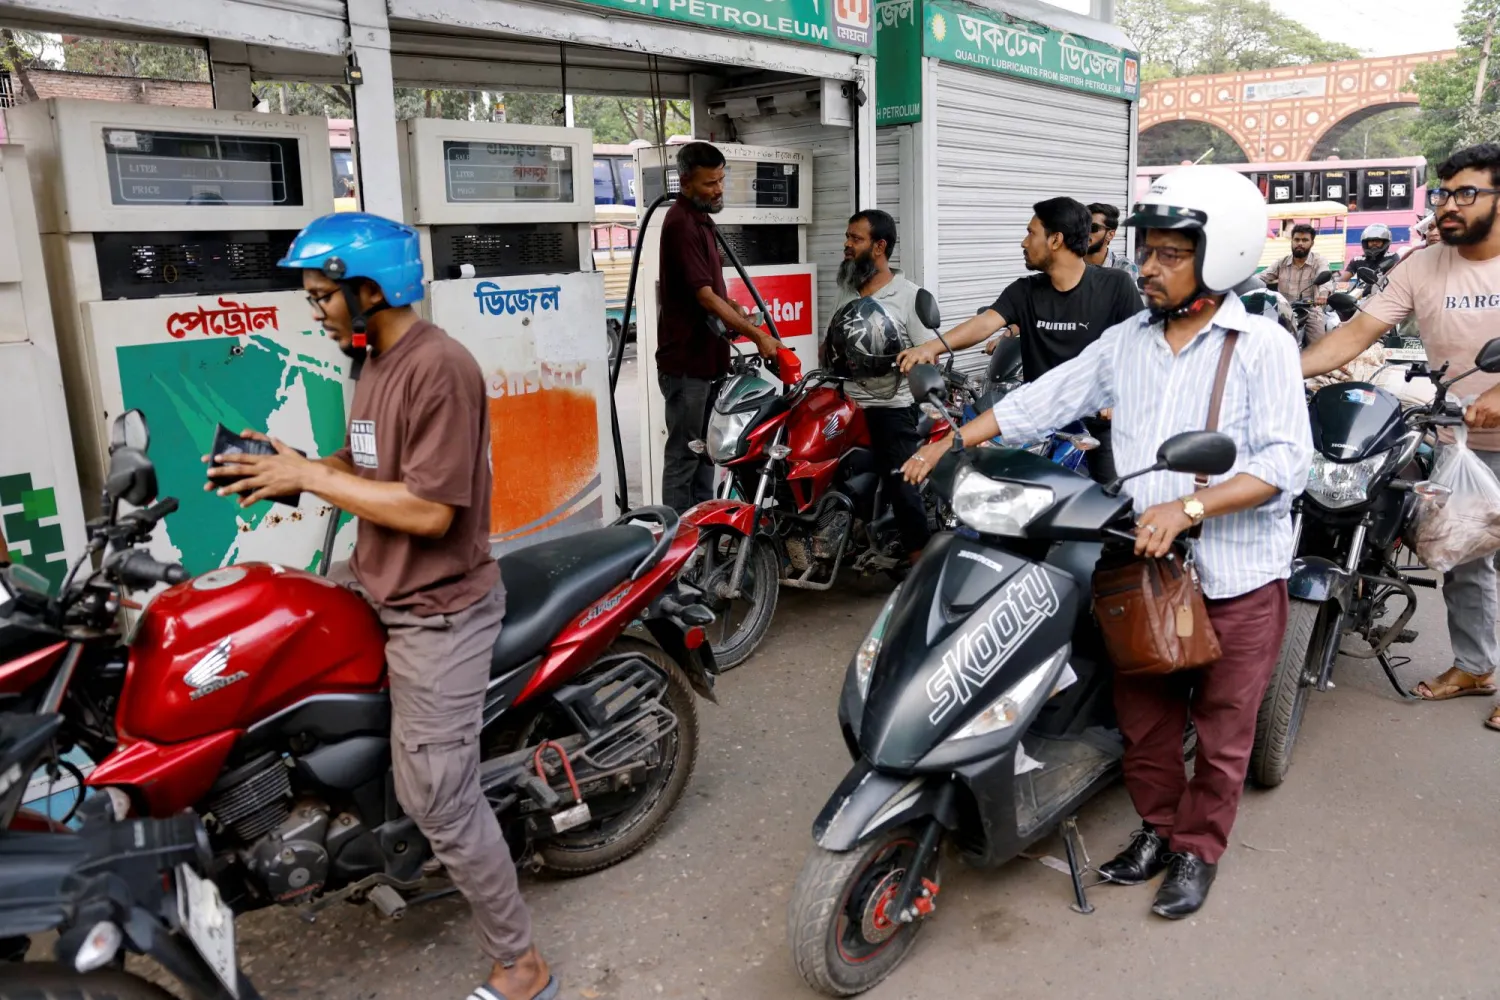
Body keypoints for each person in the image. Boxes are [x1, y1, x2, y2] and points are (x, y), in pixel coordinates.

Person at [901, 166, 1312, 919]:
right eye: (1145, 251)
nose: (1145, 268)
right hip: (1142, 568)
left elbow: (1285, 464)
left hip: (1237, 573)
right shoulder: (1127, 341)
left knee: (1224, 732)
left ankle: (1197, 852)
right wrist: (953, 440)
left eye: (1168, 255)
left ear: (1218, 257)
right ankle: (1158, 829)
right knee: (1144, 718)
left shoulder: (1261, 346)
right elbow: (1041, 400)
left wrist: (1190, 507)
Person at [205, 213, 558, 1000]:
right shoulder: (373, 361)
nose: (318, 310)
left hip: (441, 609)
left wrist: (316, 481)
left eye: (324, 295)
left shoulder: (440, 368)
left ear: (371, 290)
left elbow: (431, 511)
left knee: (440, 791)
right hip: (379, 583)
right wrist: (301, 464)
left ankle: (521, 963)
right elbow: (369, 463)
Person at [1301, 142, 1500, 732]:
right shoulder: (1421, 265)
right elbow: (1358, 332)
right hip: (1458, 437)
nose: (1448, 207)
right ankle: (1475, 666)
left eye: (1467, 193)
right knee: (1464, 557)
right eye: (1443, 194)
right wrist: (1280, 374)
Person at [897, 196, 1142, 483]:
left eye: (1031, 233)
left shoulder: (1116, 285)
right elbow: (984, 323)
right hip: (1040, 418)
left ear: (1055, 240)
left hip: (1099, 423)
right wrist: (931, 346)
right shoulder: (1025, 290)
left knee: (1114, 504)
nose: (1024, 243)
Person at [656, 141, 781, 512]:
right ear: (685, 182)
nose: (719, 189)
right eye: (710, 183)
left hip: (708, 362)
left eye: (721, 180)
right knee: (684, 456)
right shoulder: (680, 223)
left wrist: (733, 307)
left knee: (707, 452)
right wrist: (757, 334)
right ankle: (676, 545)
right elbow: (703, 296)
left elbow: (710, 292)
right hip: (686, 365)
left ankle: (701, 536)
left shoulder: (702, 221)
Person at [827, 209, 936, 563]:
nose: (847, 244)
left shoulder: (909, 295)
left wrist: (911, 358)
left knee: (901, 484)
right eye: (848, 237)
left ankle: (921, 563)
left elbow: (928, 353)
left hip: (891, 407)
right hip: (846, 403)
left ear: (880, 246)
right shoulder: (846, 291)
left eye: (855, 239)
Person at [1261, 223, 1329, 343]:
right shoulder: (1281, 263)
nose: (1300, 243)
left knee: (1319, 347)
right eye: (1297, 239)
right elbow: (1262, 276)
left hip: (1310, 311)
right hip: (1284, 311)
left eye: (1305, 240)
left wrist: (1323, 295)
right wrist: (1247, 284)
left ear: (1312, 243)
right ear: (1291, 241)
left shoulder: (1319, 261)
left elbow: (1325, 278)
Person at [1085, 202, 1140, 280]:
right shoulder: (1069, 264)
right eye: (1082, 226)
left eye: (1093, 228)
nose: (1085, 232)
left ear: (1110, 235)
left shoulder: (1124, 268)